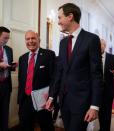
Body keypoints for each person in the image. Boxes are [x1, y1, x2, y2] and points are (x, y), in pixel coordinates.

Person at [46, 3, 103, 131]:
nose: (58, 22)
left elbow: (96, 75)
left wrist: (94, 106)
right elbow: (59, 72)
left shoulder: (91, 39)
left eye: (60, 18)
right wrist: (52, 96)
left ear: (70, 16)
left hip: (82, 102)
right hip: (64, 101)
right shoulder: (63, 42)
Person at [17, 30, 55, 131]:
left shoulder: (49, 55)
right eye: (27, 39)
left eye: (33, 38)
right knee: (25, 127)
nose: (30, 41)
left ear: (39, 39)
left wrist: (51, 99)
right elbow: (21, 81)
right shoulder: (22, 58)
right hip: (25, 100)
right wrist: (19, 102)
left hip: (42, 101)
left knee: (47, 127)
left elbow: (54, 79)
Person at [98, 39, 114, 131]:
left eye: (101, 44)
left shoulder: (112, 57)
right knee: (98, 111)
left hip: (108, 90)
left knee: (107, 113)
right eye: (98, 45)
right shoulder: (93, 57)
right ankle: (101, 128)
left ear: (105, 45)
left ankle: (105, 129)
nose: (100, 46)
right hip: (96, 90)